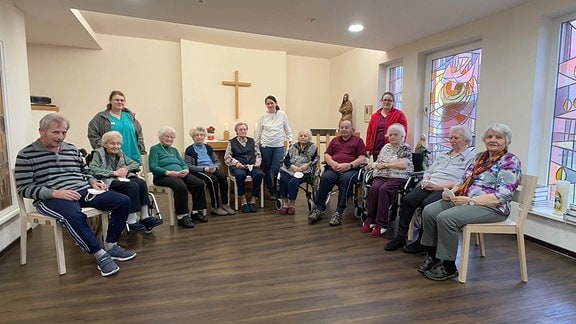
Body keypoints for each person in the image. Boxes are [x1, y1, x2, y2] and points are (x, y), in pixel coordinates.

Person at [14, 113, 136, 277]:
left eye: (64, 132)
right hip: (51, 197)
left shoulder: (71, 148)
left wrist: (93, 182)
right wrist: (55, 193)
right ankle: (100, 254)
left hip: (83, 190)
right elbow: (24, 188)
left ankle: (111, 245)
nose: (61, 137)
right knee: (73, 215)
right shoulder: (26, 155)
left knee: (123, 201)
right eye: (56, 132)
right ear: (41, 131)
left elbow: (85, 171)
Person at [417, 123, 521, 281]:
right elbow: (463, 178)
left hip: (492, 207)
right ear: (484, 140)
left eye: (498, 137)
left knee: (446, 218)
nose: (493, 140)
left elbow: (503, 195)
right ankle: (433, 257)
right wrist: (452, 192)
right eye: (489, 136)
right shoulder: (480, 157)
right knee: (429, 211)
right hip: (466, 199)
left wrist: (471, 200)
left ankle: (449, 266)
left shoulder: (510, 161)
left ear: (507, 141)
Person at [384, 125, 475, 252]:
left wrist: (439, 187)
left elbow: (465, 180)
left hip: (448, 189)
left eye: (456, 138)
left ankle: (423, 242)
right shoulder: (443, 154)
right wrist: (426, 180)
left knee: (427, 205)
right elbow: (429, 170)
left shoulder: (471, 157)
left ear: (466, 140)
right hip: (430, 184)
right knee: (408, 200)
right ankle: (400, 237)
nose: (452, 140)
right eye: (451, 137)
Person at [89, 131, 163, 233]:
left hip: (123, 178)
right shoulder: (98, 153)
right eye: (112, 143)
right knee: (132, 186)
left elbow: (136, 164)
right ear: (105, 144)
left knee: (141, 182)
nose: (116, 146)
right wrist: (114, 173)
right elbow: (93, 169)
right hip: (108, 181)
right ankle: (131, 220)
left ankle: (145, 216)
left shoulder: (120, 153)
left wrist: (126, 169)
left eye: (118, 144)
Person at [308, 120, 367, 226]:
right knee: (325, 177)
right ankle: (319, 208)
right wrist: (332, 163)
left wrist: (349, 165)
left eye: (346, 127)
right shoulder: (335, 140)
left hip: (351, 169)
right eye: (342, 127)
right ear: (339, 129)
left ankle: (339, 211)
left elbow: (362, 159)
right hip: (334, 168)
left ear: (351, 129)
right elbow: (327, 154)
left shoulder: (358, 141)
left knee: (346, 179)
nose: (344, 129)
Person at [149, 126, 207, 228]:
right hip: (162, 176)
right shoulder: (154, 149)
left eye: (172, 137)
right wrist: (168, 172)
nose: (170, 139)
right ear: (161, 137)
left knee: (199, 183)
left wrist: (185, 170)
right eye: (167, 137)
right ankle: (182, 216)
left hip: (179, 174)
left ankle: (195, 211)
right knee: (181, 186)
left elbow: (183, 163)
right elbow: (153, 167)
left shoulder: (174, 150)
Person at [361, 124, 413, 238]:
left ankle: (381, 224)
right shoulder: (386, 147)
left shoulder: (405, 148)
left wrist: (386, 165)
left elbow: (403, 164)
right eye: (390, 135)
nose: (392, 137)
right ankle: (371, 220)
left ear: (402, 136)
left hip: (398, 176)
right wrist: (372, 165)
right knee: (374, 188)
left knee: (384, 190)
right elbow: (379, 162)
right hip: (382, 175)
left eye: (395, 134)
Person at [185, 126, 235, 216]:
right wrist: (204, 169)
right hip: (199, 170)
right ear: (193, 137)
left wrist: (215, 167)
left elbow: (217, 161)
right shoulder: (190, 150)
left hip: (211, 168)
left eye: (201, 135)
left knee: (223, 177)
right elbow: (188, 166)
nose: (199, 137)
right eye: (196, 135)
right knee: (213, 180)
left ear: (204, 136)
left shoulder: (208, 147)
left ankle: (225, 204)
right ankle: (215, 207)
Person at [88, 90, 146, 165]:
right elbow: (92, 134)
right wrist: (103, 148)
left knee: (132, 176)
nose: (119, 102)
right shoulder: (101, 117)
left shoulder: (130, 117)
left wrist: (142, 150)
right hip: (112, 160)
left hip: (132, 157)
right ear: (110, 101)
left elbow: (139, 135)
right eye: (116, 100)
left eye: (122, 100)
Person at [254, 95, 293, 200]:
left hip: (278, 146)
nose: (270, 105)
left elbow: (287, 128)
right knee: (267, 169)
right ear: (266, 105)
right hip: (266, 146)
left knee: (277, 168)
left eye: (272, 103)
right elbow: (258, 131)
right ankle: (271, 190)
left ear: (276, 103)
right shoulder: (263, 116)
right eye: (268, 104)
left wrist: (290, 139)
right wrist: (255, 144)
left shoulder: (282, 114)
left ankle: (278, 188)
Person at [224, 122, 265, 213]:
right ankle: (242, 199)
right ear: (236, 132)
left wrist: (258, 162)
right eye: (240, 129)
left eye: (244, 129)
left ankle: (254, 199)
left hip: (251, 166)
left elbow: (258, 154)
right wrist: (236, 162)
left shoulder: (252, 141)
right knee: (240, 175)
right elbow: (227, 157)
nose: (243, 131)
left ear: (247, 131)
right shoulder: (231, 142)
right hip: (238, 166)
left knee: (259, 174)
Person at [278, 130, 319, 215]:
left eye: (305, 136)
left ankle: (292, 205)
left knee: (293, 181)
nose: (303, 137)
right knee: (283, 179)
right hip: (290, 169)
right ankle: (285, 204)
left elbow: (315, 159)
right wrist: (291, 166)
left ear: (309, 138)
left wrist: (307, 165)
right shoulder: (293, 147)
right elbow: (286, 159)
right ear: (298, 137)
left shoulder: (313, 147)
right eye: (301, 136)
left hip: (304, 170)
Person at [365, 92, 408, 161]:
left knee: (390, 169)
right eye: (384, 100)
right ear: (381, 101)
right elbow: (369, 133)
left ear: (393, 102)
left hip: (392, 150)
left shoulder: (399, 115)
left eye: (389, 100)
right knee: (378, 170)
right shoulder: (375, 116)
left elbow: (403, 133)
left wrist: (399, 147)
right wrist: (368, 148)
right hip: (376, 150)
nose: (386, 102)